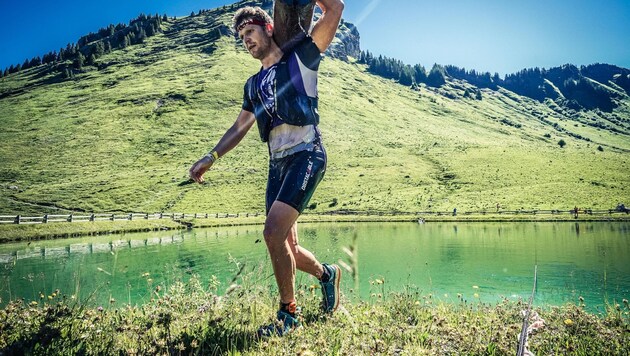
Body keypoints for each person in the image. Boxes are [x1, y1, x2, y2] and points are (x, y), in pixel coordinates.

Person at [188, 0, 344, 337]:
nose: (246, 40)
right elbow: (239, 127)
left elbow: (335, 10)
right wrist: (210, 157)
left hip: (307, 154)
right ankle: (328, 275)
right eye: (241, 36)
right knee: (286, 244)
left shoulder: (302, 57)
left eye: (250, 31)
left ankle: (288, 315)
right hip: (277, 165)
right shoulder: (252, 85)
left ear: (268, 27)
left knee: (272, 233)